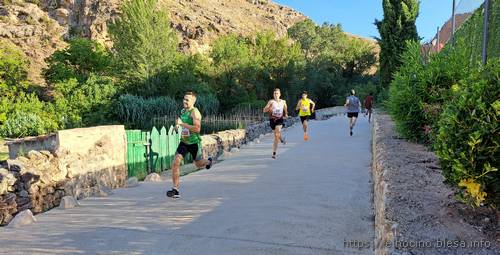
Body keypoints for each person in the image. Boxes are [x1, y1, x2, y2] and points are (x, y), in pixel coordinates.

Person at [166, 92, 213, 198]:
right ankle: (175, 190)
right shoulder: (183, 111)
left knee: (198, 164)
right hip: (184, 142)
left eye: (187, 100)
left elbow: (197, 129)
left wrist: (182, 124)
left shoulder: (195, 113)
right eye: (184, 99)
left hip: (194, 143)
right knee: (175, 162)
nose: (184, 101)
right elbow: (182, 124)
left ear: (193, 101)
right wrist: (177, 126)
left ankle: (208, 161)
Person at [263, 88, 288, 159]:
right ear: (273, 94)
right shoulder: (271, 101)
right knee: (277, 136)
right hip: (272, 120)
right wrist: (267, 109)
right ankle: (282, 139)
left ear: (280, 94)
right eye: (274, 93)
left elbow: (285, 108)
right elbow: (264, 109)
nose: (276, 95)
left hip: (280, 119)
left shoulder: (283, 101)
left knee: (277, 135)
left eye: (277, 93)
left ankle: (274, 153)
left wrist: (286, 114)